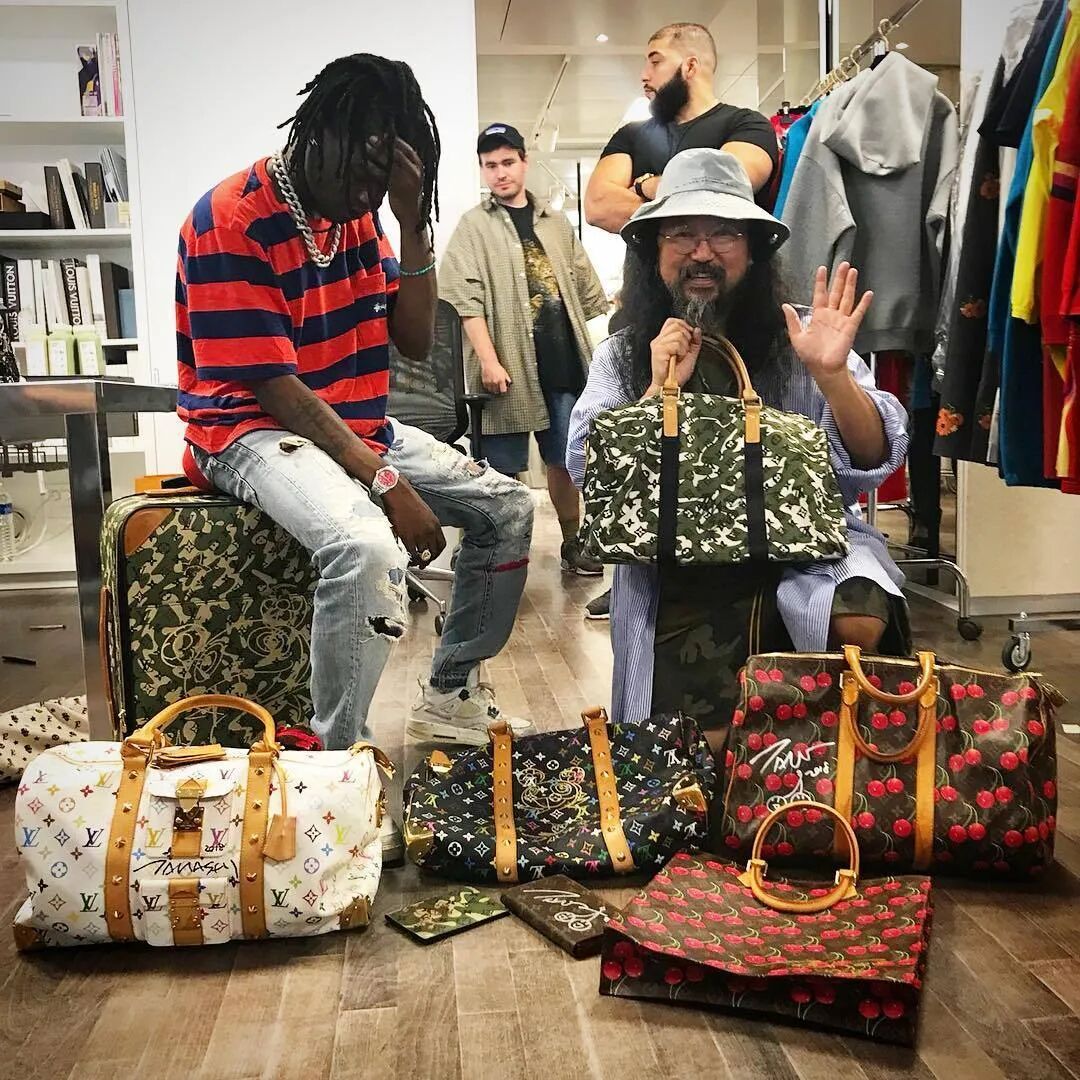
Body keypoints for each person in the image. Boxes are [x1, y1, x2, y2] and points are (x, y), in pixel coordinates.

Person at [175, 54, 535, 756]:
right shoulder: (232, 218)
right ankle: (336, 761)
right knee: (366, 545)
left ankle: (449, 695)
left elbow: (412, 337)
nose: (369, 191)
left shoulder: (360, 219)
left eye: (383, 179)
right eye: (362, 172)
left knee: (509, 509)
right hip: (245, 428)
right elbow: (274, 389)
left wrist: (413, 222)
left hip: (353, 423)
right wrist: (385, 481)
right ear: (320, 135)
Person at [567, 149, 912, 737]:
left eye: (723, 233)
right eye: (682, 233)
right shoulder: (625, 354)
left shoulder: (801, 336)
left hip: (808, 552)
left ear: (752, 249)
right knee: (684, 742)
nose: (702, 252)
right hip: (672, 559)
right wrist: (655, 391)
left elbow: (872, 459)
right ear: (655, 252)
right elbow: (587, 469)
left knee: (858, 609)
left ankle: (831, 758)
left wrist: (832, 377)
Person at [440, 123, 610, 578]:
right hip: (506, 368)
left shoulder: (556, 223)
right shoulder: (473, 226)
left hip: (562, 363)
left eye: (507, 162)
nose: (500, 173)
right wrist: (488, 360)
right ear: (482, 170)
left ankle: (573, 541)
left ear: (524, 162)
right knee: (500, 469)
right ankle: (492, 548)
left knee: (566, 460)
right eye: (490, 165)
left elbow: (586, 291)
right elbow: (464, 301)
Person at [584, 22, 779, 236]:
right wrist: (690, 205)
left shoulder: (748, 125)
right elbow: (598, 206)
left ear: (690, 67)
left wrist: (644, 186)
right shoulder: (630, 135)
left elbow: (724, 184)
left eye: (655, 62)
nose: (644, 75)